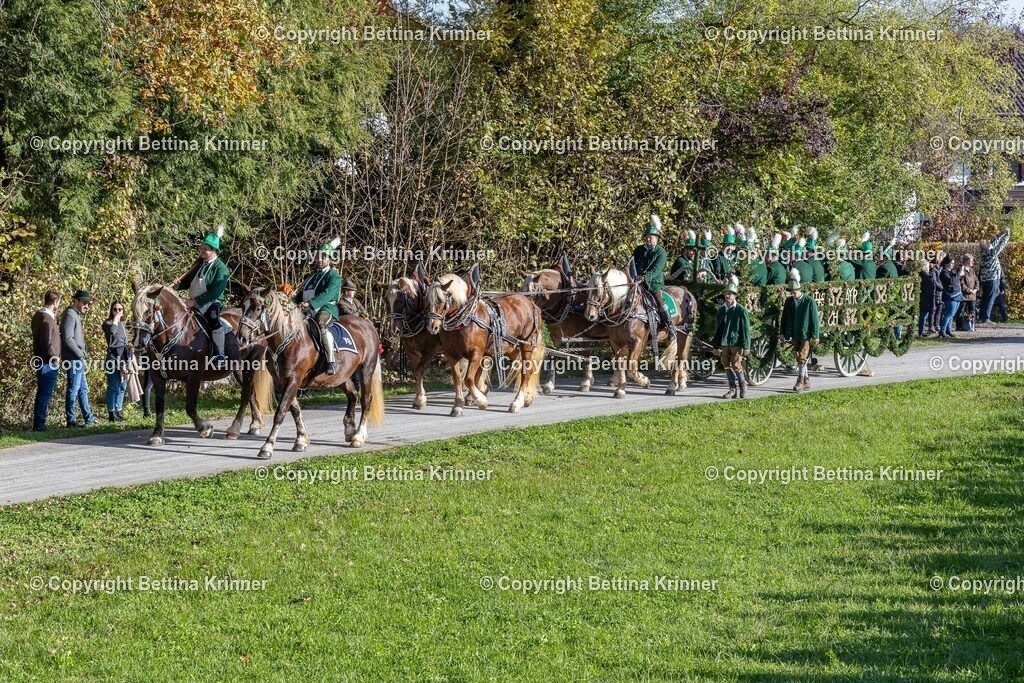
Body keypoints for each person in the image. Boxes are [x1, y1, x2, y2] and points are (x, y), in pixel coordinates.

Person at [170, 226, 231, 369]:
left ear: (214, 251)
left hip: (212, 302)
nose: (202, 251)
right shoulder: (198, 264)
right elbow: (188, 281)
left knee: (213, 317)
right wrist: (176, 285)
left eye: (205, 249)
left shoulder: (221, 268)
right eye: (201, 248)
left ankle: (219, 354)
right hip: (193, 302)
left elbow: (215, 291)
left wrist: (196, 301)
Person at [296, 239, 343, 374]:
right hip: (307, 309)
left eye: (324, 257)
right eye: (318, 256)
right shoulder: (311, 277)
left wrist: (310, 303)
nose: (320, 259)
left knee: (321, 324)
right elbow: (303, 294)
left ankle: (331, 361)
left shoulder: (334, 276)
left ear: (329, 259)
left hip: (326, 308)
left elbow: (327, 294)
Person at [631, 214, 674, 344]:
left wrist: (643, 278)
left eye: (651, 237)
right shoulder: (638, 250)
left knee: (659, 300)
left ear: (656, 239)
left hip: (653, 284)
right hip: (636, 283)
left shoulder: (661, 252)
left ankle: (670, 327)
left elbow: (656, 270)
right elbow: (631, 264)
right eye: (647, 237)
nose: (649, 239)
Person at [781, 268, 820, 392]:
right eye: (791, 292)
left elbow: (814, 320)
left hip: (805, 333)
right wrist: (782, 332)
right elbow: (784, 318)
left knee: (802, 357)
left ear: (799, 290)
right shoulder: (789, 301)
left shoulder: (809, 301)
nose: (792, 294)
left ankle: (800, 381)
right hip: (794, 333)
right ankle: (807, 380)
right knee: (799, 356)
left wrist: (815, 335)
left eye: (794, 292)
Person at [60, 289, 95, 427]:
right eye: (85, 303)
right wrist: (80, 354)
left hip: (78, 359)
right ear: (76, 301)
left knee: (83, 389)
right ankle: (71, 420)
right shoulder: (70, 314)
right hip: (74, 359)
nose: (87, 306)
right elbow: (68, 339)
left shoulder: (75, 314)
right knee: (73, 389)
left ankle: (89, 418)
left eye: (88, 303)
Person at [712, 276, 751, 399]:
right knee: (726, 364)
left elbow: (745, 330)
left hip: (736, 342)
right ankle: (732, 389)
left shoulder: (741, 311)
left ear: (735, 296)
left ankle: (743, 385)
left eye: (730, 294)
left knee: (736, 364)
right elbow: (718, 329)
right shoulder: (722, 310)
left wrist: (746, 345)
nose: (728, 296)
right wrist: (715, 345)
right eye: (726, 294)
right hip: (725, 342)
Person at [31, 290, 62, 431]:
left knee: (42, 392)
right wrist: (55, 357)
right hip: (47, 362)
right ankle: (39, 424)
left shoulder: (38, 316)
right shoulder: (46, 319)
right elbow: (46, 342)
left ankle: (39, 422)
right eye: (59, 302)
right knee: (44, 393)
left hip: (41, 359)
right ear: (55, 302)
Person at [102, 301, 131, 421]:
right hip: (112, 358)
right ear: (111, 310)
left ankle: (118, 411)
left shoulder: (124, 324)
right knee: (113, 385)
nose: (118, 312)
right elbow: (112, 332)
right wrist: (115, 319)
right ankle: (111, 413)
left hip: (123, 357)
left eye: (120, 309)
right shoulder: (108, 323)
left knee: (122, 385)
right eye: (115, 309)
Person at [978, 229, 1009, 323]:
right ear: (987, 247)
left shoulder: (983, 252)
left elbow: (993, 242)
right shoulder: (991, 253)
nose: (991, 244)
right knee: (991, 298)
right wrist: (1007, 235)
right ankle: (986, 318)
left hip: (985, 279)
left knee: (985, 298)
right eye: (989, 244)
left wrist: (1001, 233)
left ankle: (981, 317)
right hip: (992, 279)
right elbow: (1001, 245)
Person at [938, 255, 963, 338]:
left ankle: (948, 330)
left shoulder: (952, 272)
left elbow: (958, 279)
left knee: (952, 314)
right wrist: (958, 274)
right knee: (949, 313)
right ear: (946, 264)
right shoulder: (944, 272)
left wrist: (959, 273)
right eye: (951, 263)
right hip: (950, 296)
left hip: (957, 294)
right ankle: (942, 331)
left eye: (953, 263)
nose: (953, 265)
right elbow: (951, 281)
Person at [959, 254, 979, 332]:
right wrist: (968, 290)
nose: (972, 262)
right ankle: (960, 326)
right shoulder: (961, 269)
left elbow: (976, 280)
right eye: (971, 260)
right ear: (966, 261)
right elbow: (961, 282)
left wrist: (976, 289)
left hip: (972, 295)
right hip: (964, 295)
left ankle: (972, 325)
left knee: (972, 310)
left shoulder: (972, 270)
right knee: (961, 310)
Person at [918, 260, 934, 337]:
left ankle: (922, 330)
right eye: (927, 266)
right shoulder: (923, 276)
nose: (929, 268)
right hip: (925, 297)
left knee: (925, 315)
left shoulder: (927, 275)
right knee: (923, 315)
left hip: (926, 297)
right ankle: (921, 331)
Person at [929, 252, 945, 333]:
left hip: (941, 293)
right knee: (933, 310)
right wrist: (941, 287)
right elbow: (934, 281)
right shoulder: (934, 269)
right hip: (936, 292)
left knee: (940, 309)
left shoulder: (942, 268)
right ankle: (931, 325)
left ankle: (937, 324)